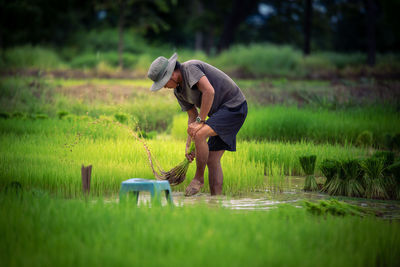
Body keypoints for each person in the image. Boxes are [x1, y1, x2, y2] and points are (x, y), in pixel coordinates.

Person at [147, 52, 247, 196]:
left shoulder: (190, 68)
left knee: (200, 134)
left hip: (234, 106)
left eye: (163, 83)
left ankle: (198, 179)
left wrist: (200, 122)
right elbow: (192, 116)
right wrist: (189, 145)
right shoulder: (178, 92)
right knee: (212, 160)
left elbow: (209, 91)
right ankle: (215, 202)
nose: (164, 87)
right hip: (218, 114)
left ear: (171, 75)